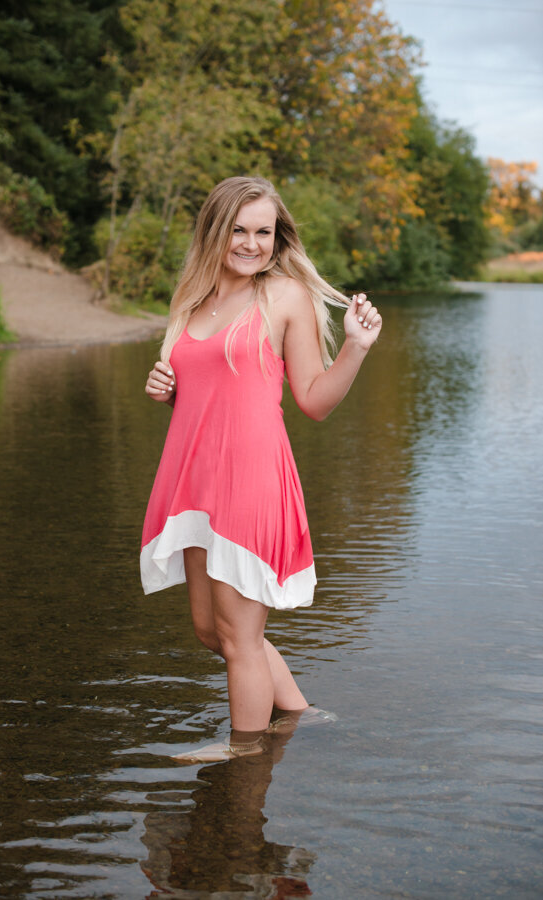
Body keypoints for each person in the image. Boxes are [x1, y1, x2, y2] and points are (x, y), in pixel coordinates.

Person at [141, 176, 381, 762]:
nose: (251, 243)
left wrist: (355, 347)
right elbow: (207, 392)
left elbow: (314, 401)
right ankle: (298, 712)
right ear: (214, 231)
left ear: (278, 237)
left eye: (264, 232)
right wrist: (166, 389)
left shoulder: (283, 297)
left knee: (240, 637)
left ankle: (243, 757)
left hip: (249, 478)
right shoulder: (192, 299)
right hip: (192, 479)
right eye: (239, 230)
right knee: (211, 631)